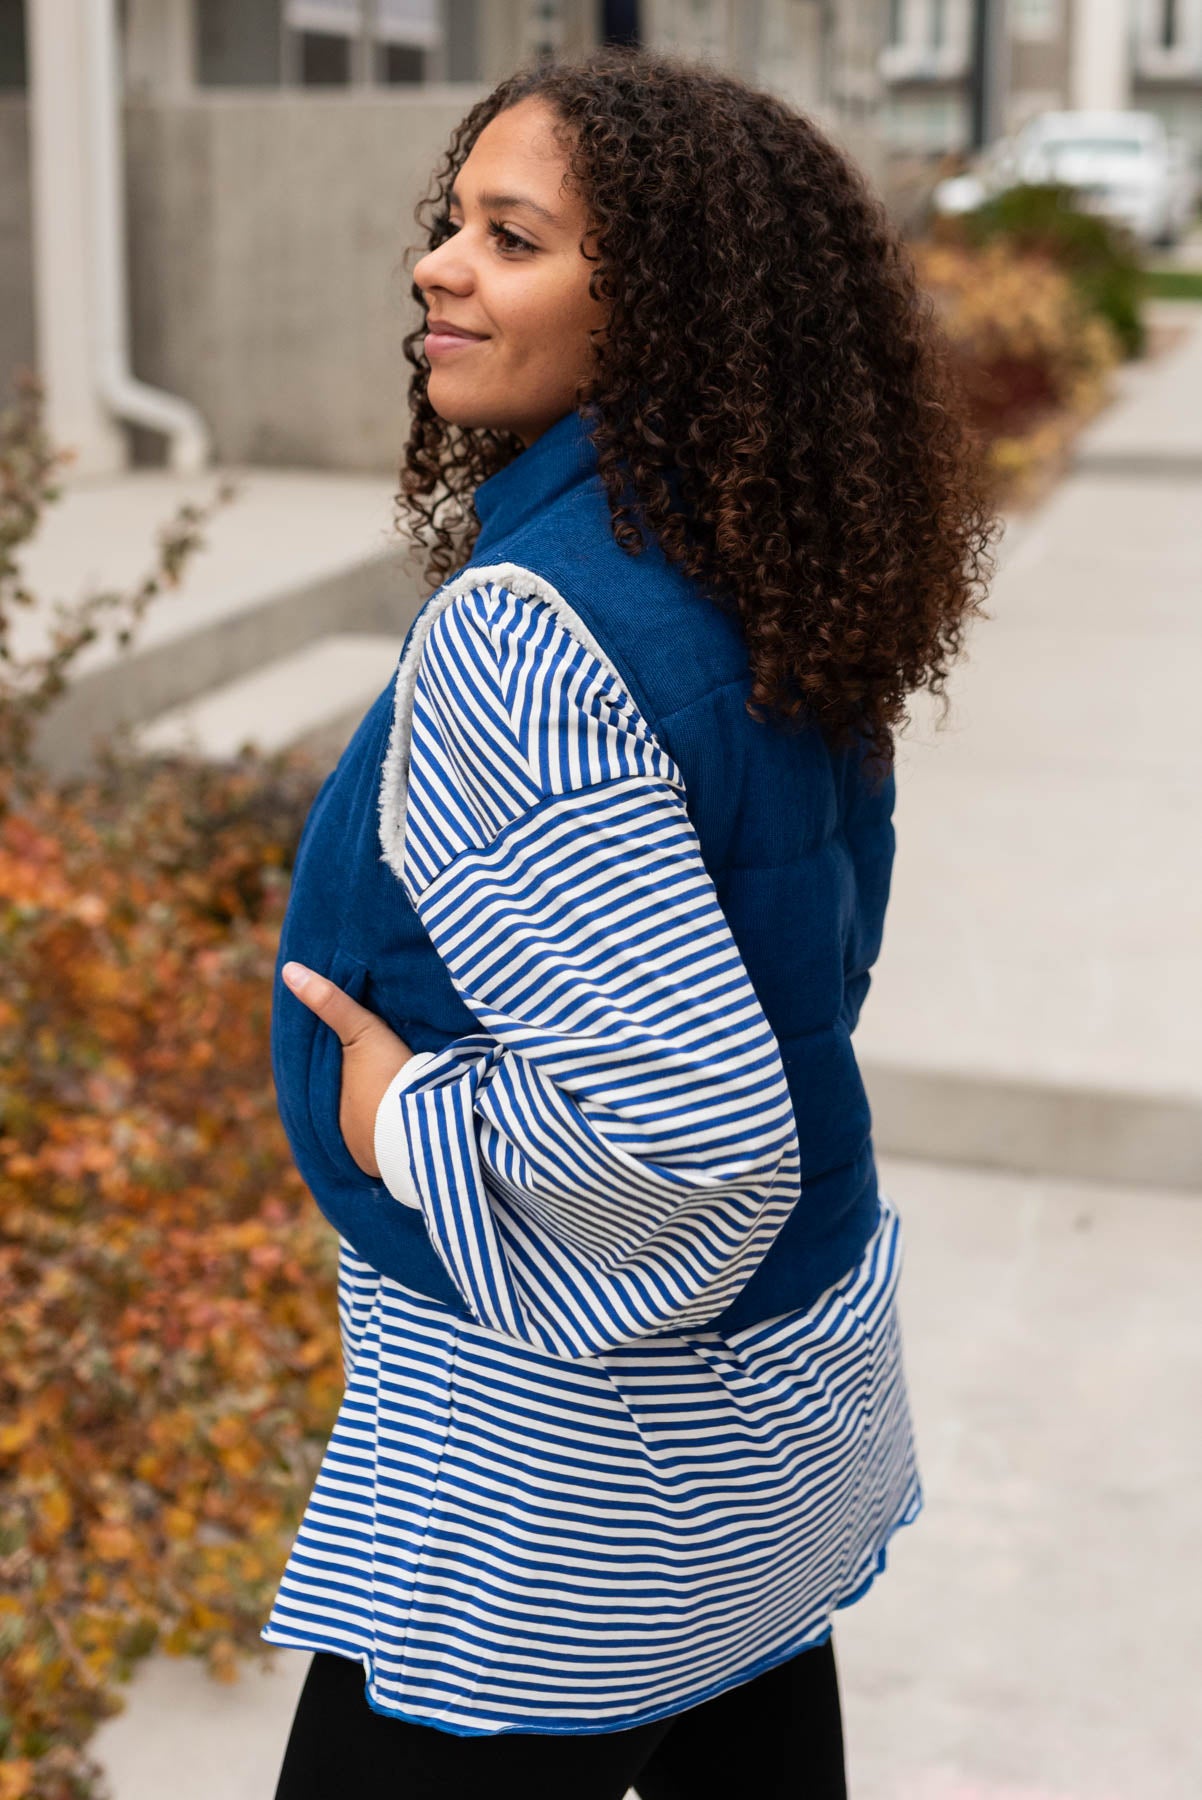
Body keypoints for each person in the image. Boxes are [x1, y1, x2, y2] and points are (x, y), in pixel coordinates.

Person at [261, 46, 998, 1800]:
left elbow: (688, 1126)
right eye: (453, 223)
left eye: (511, 239)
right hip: (762, 1444)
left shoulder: (533, 630)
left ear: (658, 307)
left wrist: (397, 1116)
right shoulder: (757, 567)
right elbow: (812, 962)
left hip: (565, 1492)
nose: (439, 265)